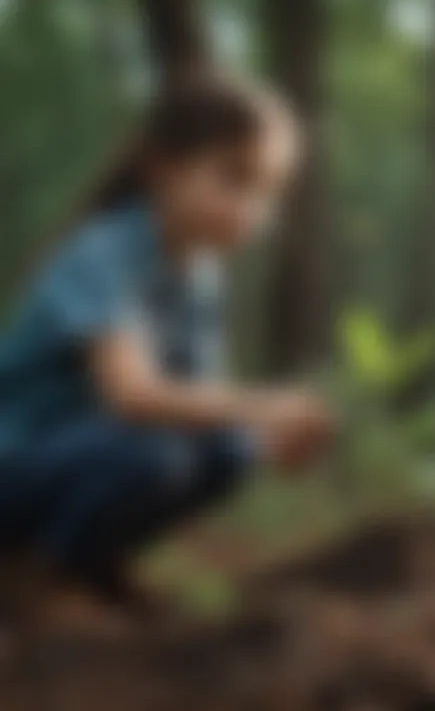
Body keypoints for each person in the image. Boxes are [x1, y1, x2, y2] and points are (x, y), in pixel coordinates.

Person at [0, 74, 333, 619]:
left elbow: (203, 404)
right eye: (233, 178)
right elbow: (132, 396)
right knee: (152, 454)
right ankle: (34, 581)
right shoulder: (104, 250)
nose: (252, 208)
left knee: (228, 452)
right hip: (17, 463)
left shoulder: (200, 272)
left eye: (267, 191)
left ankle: (88, 564)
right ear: (162, 167)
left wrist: (273, 438)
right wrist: (263, 404)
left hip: (81, 458)